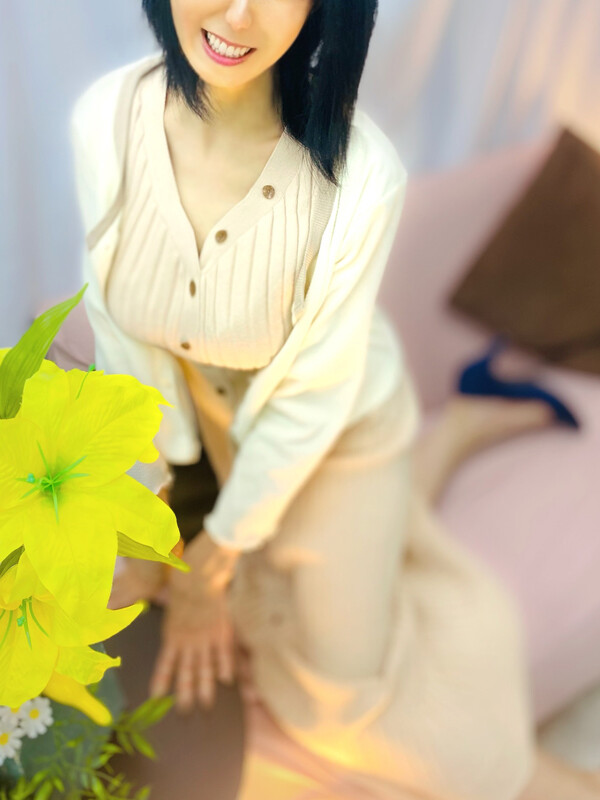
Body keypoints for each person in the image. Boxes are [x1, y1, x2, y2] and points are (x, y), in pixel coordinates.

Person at [71, 1, 600, 798]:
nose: (238, 14)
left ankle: (451, 433)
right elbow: (126, 339)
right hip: (225, 436)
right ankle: (456, 429)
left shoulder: (359, 174)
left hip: (337, 432)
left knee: (342, 709)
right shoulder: (106, 120)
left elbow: (309, 405)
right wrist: (163, 527)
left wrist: (205, 571)